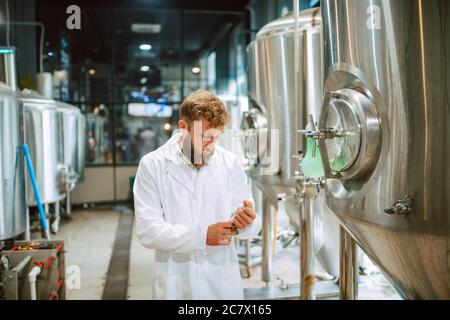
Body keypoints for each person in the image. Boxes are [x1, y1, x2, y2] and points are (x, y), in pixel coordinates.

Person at [133, 90, 261, 300]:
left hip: (222, 285)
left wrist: (247, 223)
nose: (211, 145)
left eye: (216, 137)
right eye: (204, 137)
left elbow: (252, 226)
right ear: (183, 128)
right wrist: (202, 237)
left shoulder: (229, 163)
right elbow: (148, 231)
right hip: (176, 285)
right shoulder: (153, 165)